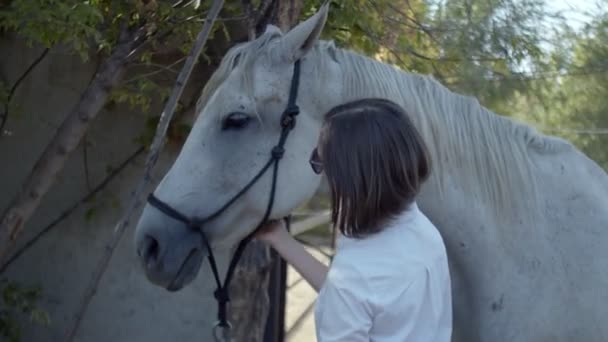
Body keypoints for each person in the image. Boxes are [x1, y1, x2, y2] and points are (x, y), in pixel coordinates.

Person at [257, 98, 452, 341]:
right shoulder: (422, 230)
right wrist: (281, 240)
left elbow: (351, 292)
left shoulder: (357, 272)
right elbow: (355, 296)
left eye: (320, 161)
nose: (322, 173)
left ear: (349, 178)